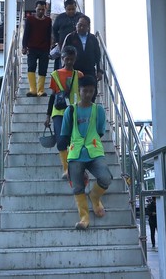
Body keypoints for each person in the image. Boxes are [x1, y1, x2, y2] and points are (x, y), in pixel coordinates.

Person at [56, 76, 112, 230]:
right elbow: (65, 134)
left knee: (106, 178)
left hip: (94, 151)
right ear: (79, 91)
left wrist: (91, 143)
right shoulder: (70, 110)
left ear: (94, 92)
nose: (88, 94)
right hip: (75, 153)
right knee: (77, 186)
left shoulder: (98, 110)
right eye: (85, 91)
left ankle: (94, 196)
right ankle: (84, 217)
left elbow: (100, 131)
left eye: (91, 91)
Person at [45, 45, 83, 179]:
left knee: (74, 140)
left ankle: (75, 167)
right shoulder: (55, 75)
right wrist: (48, 116)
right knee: (61, 141)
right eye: (67, 59)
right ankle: (66, 169)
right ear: (62, 58)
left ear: (75, 59)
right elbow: (52, 96)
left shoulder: (79, 75)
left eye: (72, 59)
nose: (69, 62)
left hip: (75, 111)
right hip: (58, 112)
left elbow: (83, 94)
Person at [21, 0, 52, 97]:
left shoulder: (48, 20)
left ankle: (40, 90)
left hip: (44, 48)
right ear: (35, 9)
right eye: (39, 9)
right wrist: (24, 46)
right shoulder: (30, 19)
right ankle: (33, 89)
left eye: (43, 9)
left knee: (43, 69)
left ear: (45, 9)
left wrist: (49, 48)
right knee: (31, 66)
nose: (41, 11)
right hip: (32, 48)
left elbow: (49, 35)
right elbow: (26, 33)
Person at [62, 15, 103, 84]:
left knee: (90, 89)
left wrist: (99, 70)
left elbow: (97, 55)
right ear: (76, 25)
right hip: (74, 69)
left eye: (84, 26)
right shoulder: (70, 37)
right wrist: (64, 67)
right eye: (80, 25)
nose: (81, 27)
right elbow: (64, 53)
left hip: (89, 70)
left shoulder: (93, 38)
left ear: (88, 27)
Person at [51, 0, 83, 70]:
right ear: (65, 8)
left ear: (76, 7)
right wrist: (57, 41)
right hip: (63, 46)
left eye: (73, 9)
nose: (71, 11)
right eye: (69, 9)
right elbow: (54, 29)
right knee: (61, 65)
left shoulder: (81, 17)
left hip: (78, 46)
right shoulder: (60, 18)